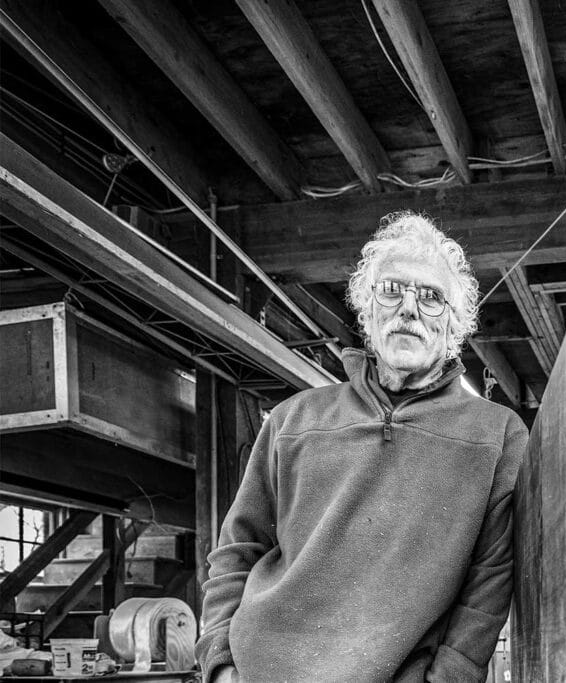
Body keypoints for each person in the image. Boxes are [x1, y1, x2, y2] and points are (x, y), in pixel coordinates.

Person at [196, 212, 528, 682]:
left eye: (431, 297)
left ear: (455, 324)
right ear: (368, 310)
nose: (409, 309)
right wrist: (221, 663)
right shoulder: (294, 419)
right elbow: (237, 547)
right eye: (392, 290)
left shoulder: (496, 435)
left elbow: (490, 582)